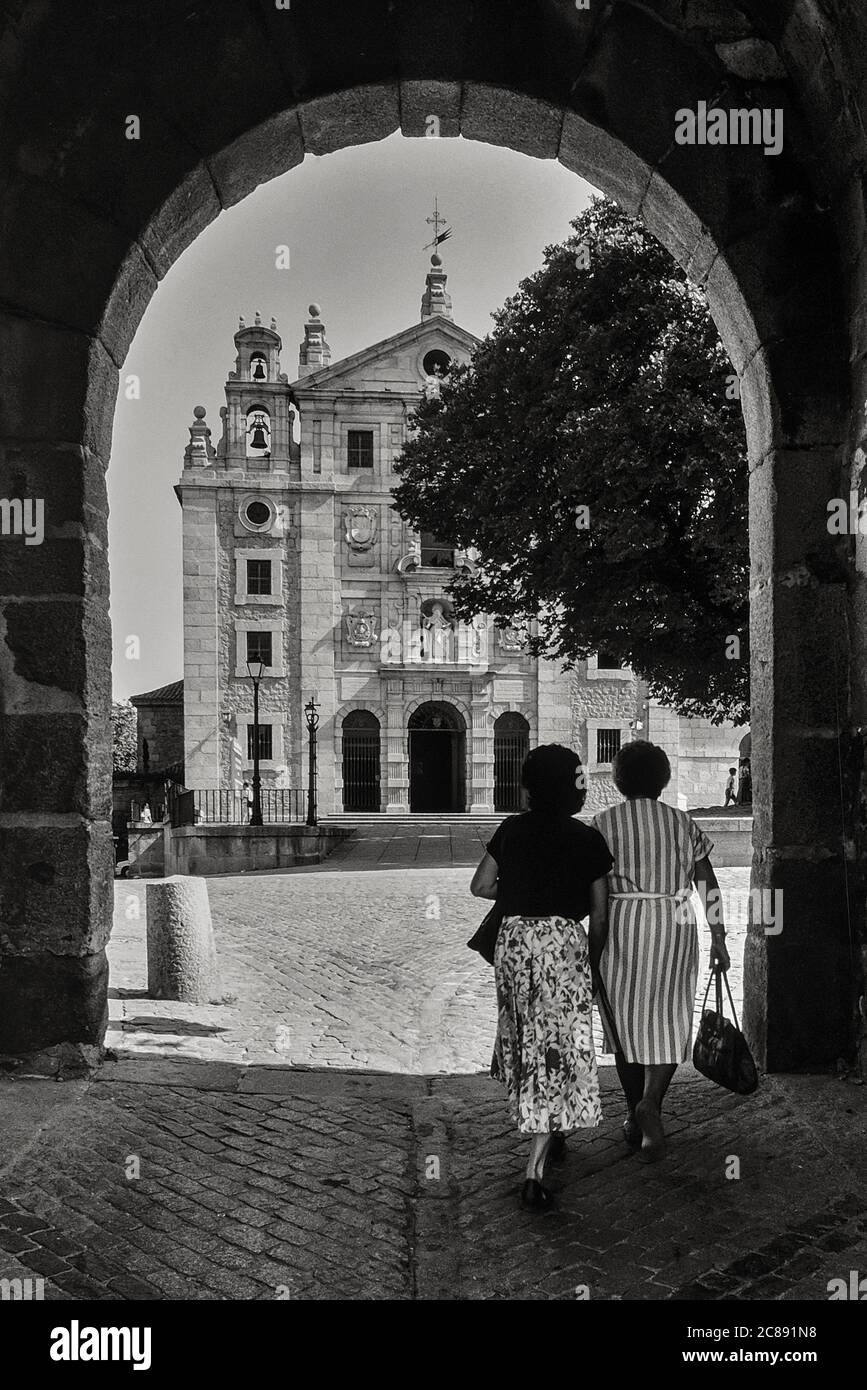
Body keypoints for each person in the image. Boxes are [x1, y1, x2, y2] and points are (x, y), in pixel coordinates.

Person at [470, 744, 613, 1210]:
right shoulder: (587, 839)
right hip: (564, 945)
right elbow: (600, 913)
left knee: (526, 1035)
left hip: (513, 943)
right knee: (559, 1045)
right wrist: (590, 963)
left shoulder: (512, 829)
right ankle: (534, 1168)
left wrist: (522, 891)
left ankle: (550, 1128)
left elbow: (481, 886)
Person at [592, 742, 730, 1164]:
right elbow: (707, 884)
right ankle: (651, 1103)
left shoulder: (602, 823)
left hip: (622, 923)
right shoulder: (681, 822)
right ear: (664, 780)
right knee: (670, 1016)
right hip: (674, 924)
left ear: (617, 780)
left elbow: (592, 888)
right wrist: (719, 936)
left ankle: (635, 1115)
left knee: (625, 1021)